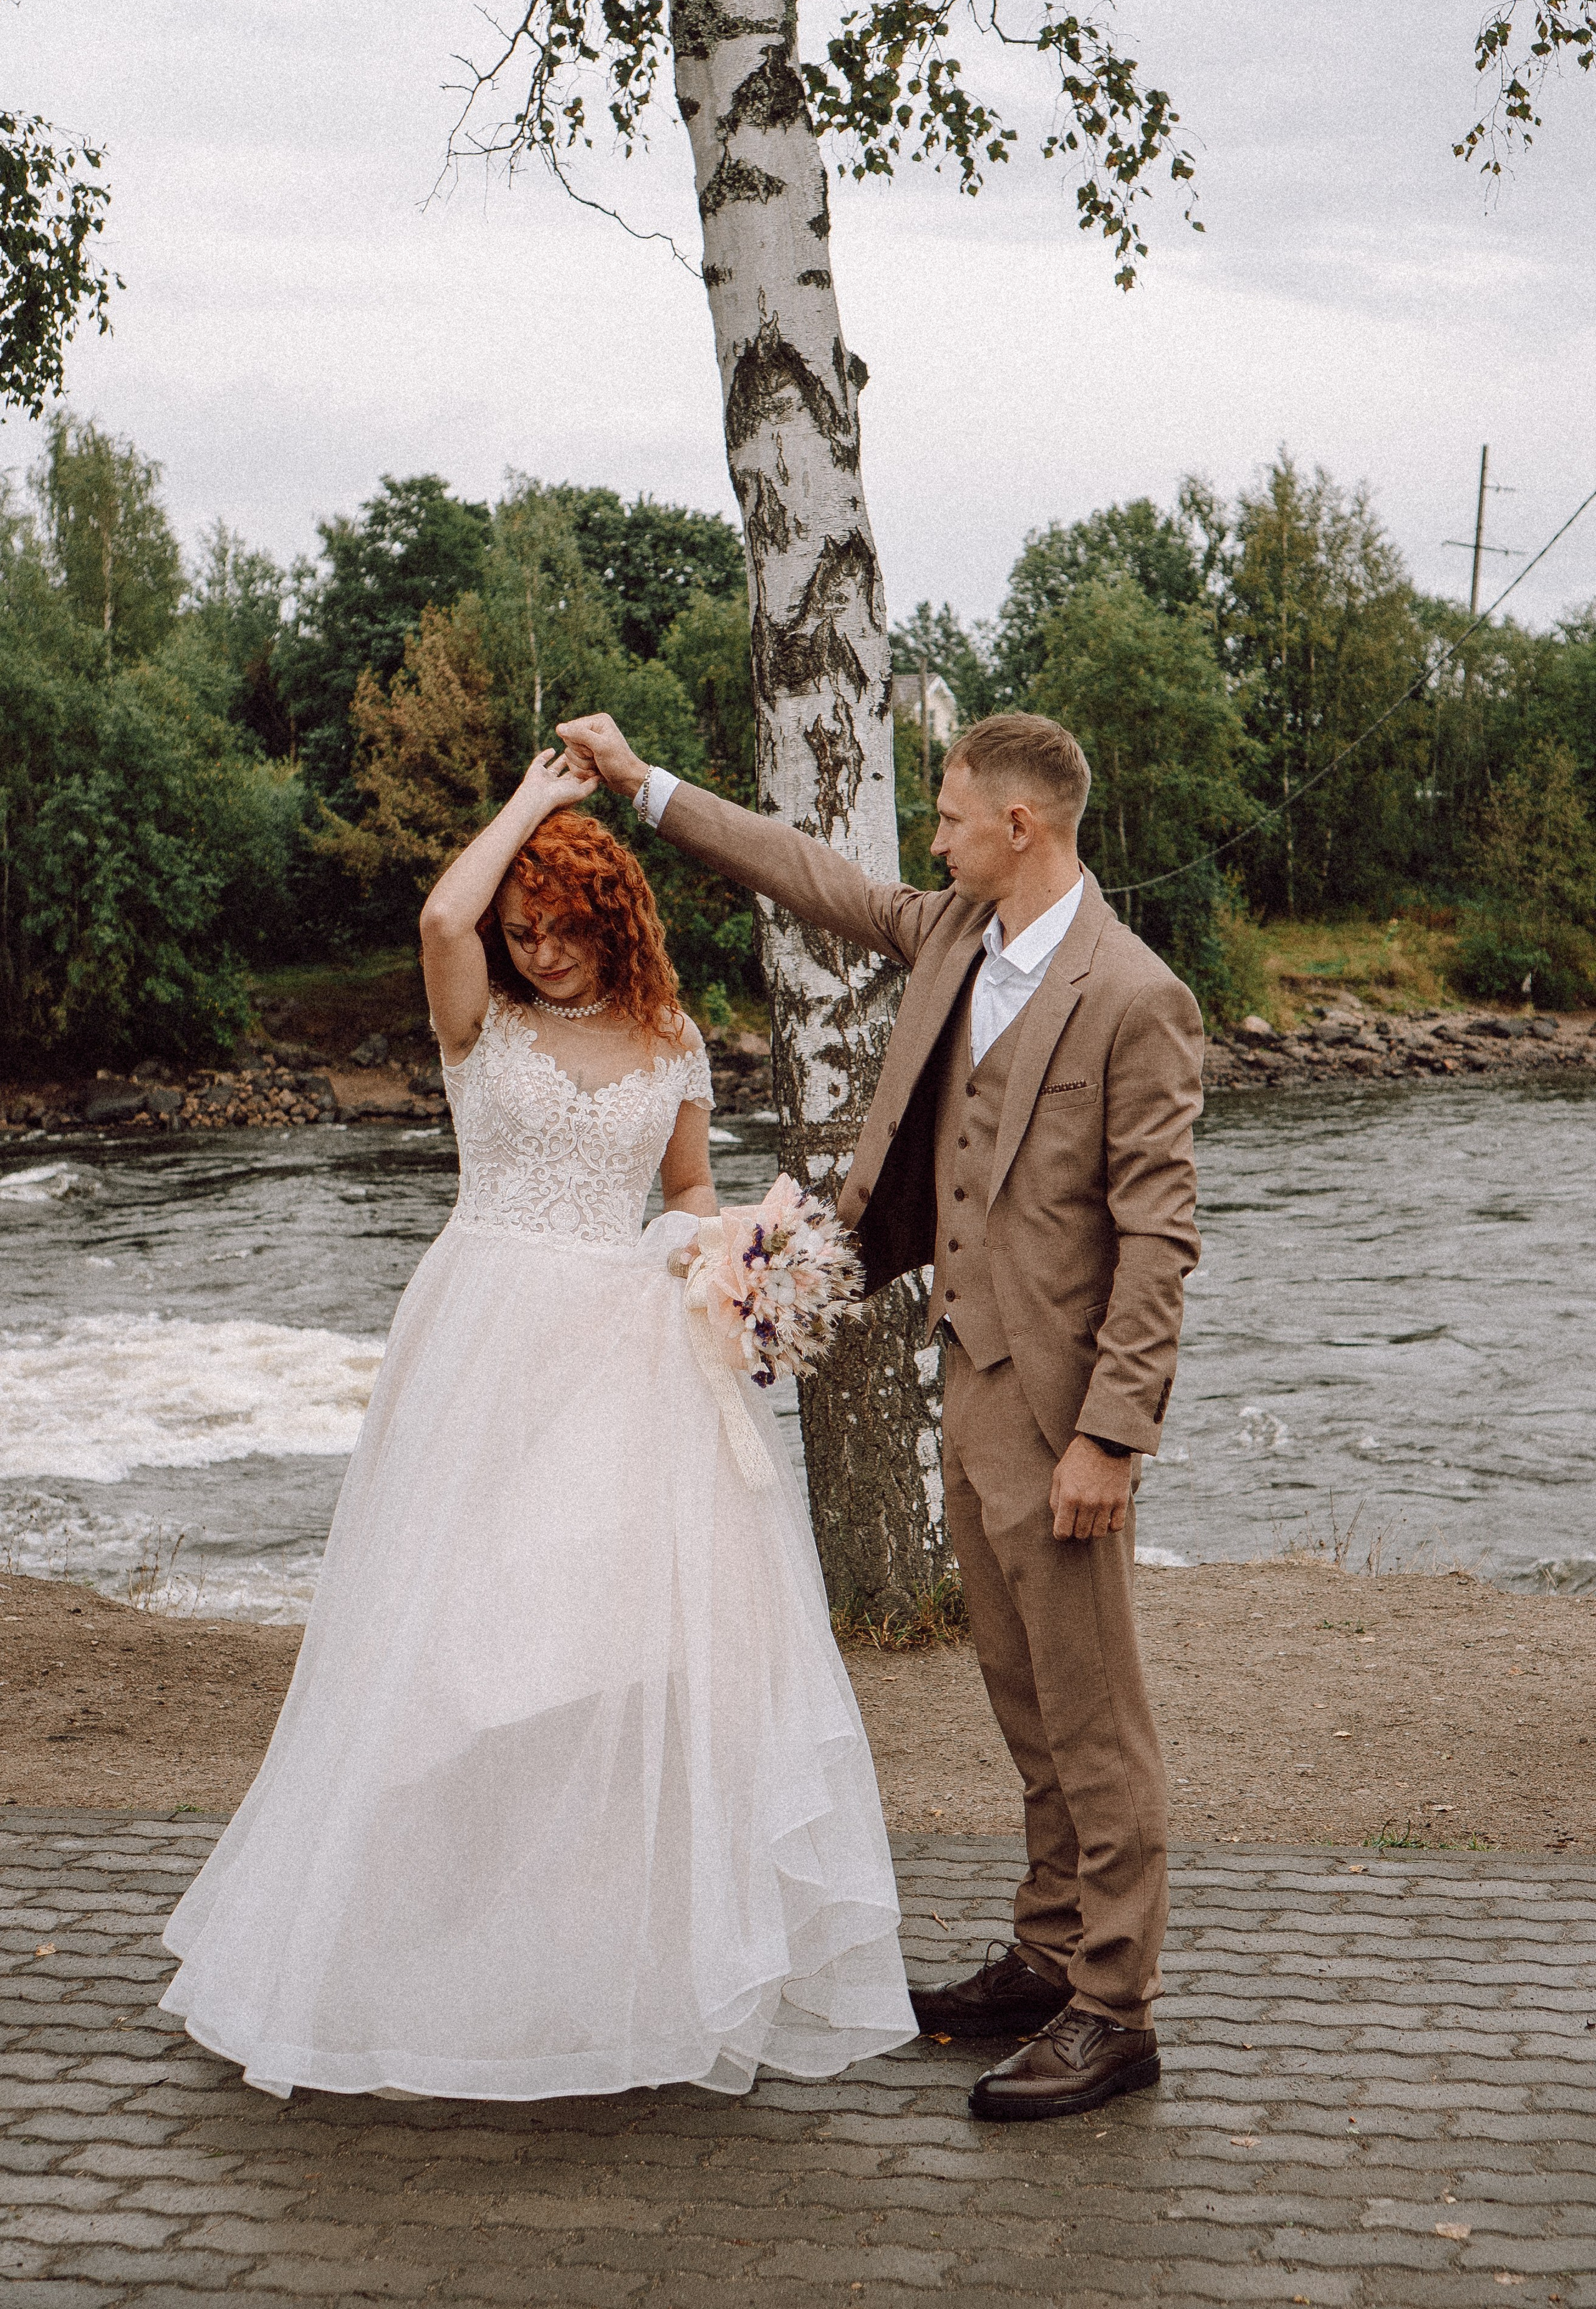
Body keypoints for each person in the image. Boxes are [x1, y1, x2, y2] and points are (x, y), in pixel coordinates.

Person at [160, 750, 916, 2103]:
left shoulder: (672, 1042)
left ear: (614, 922)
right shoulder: (479, 1023)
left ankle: (579, 1958)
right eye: (529, 932)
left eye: (565, 928)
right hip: (481, 1338)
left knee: (594, 1647)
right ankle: (399, 1948)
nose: (542, 951)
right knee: (445, 1643)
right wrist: (534, 806)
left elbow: (681, 1188)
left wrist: (742, 1254)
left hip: (615, 1354)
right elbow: (441, 922)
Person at [558, 709, 1204, 2123]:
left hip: (1061, 1411)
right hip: (966, 1375)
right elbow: (808, 873)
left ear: (1021, 828)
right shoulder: (955, 937)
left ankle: (1115, 2006)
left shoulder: (1133, 996)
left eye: (953, 813)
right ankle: (1045, 1956)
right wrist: (643, 783)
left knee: (1095, 1718)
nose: (933, 836)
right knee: (1023, 1697)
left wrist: (1110, 1435)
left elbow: (1156, 1240)